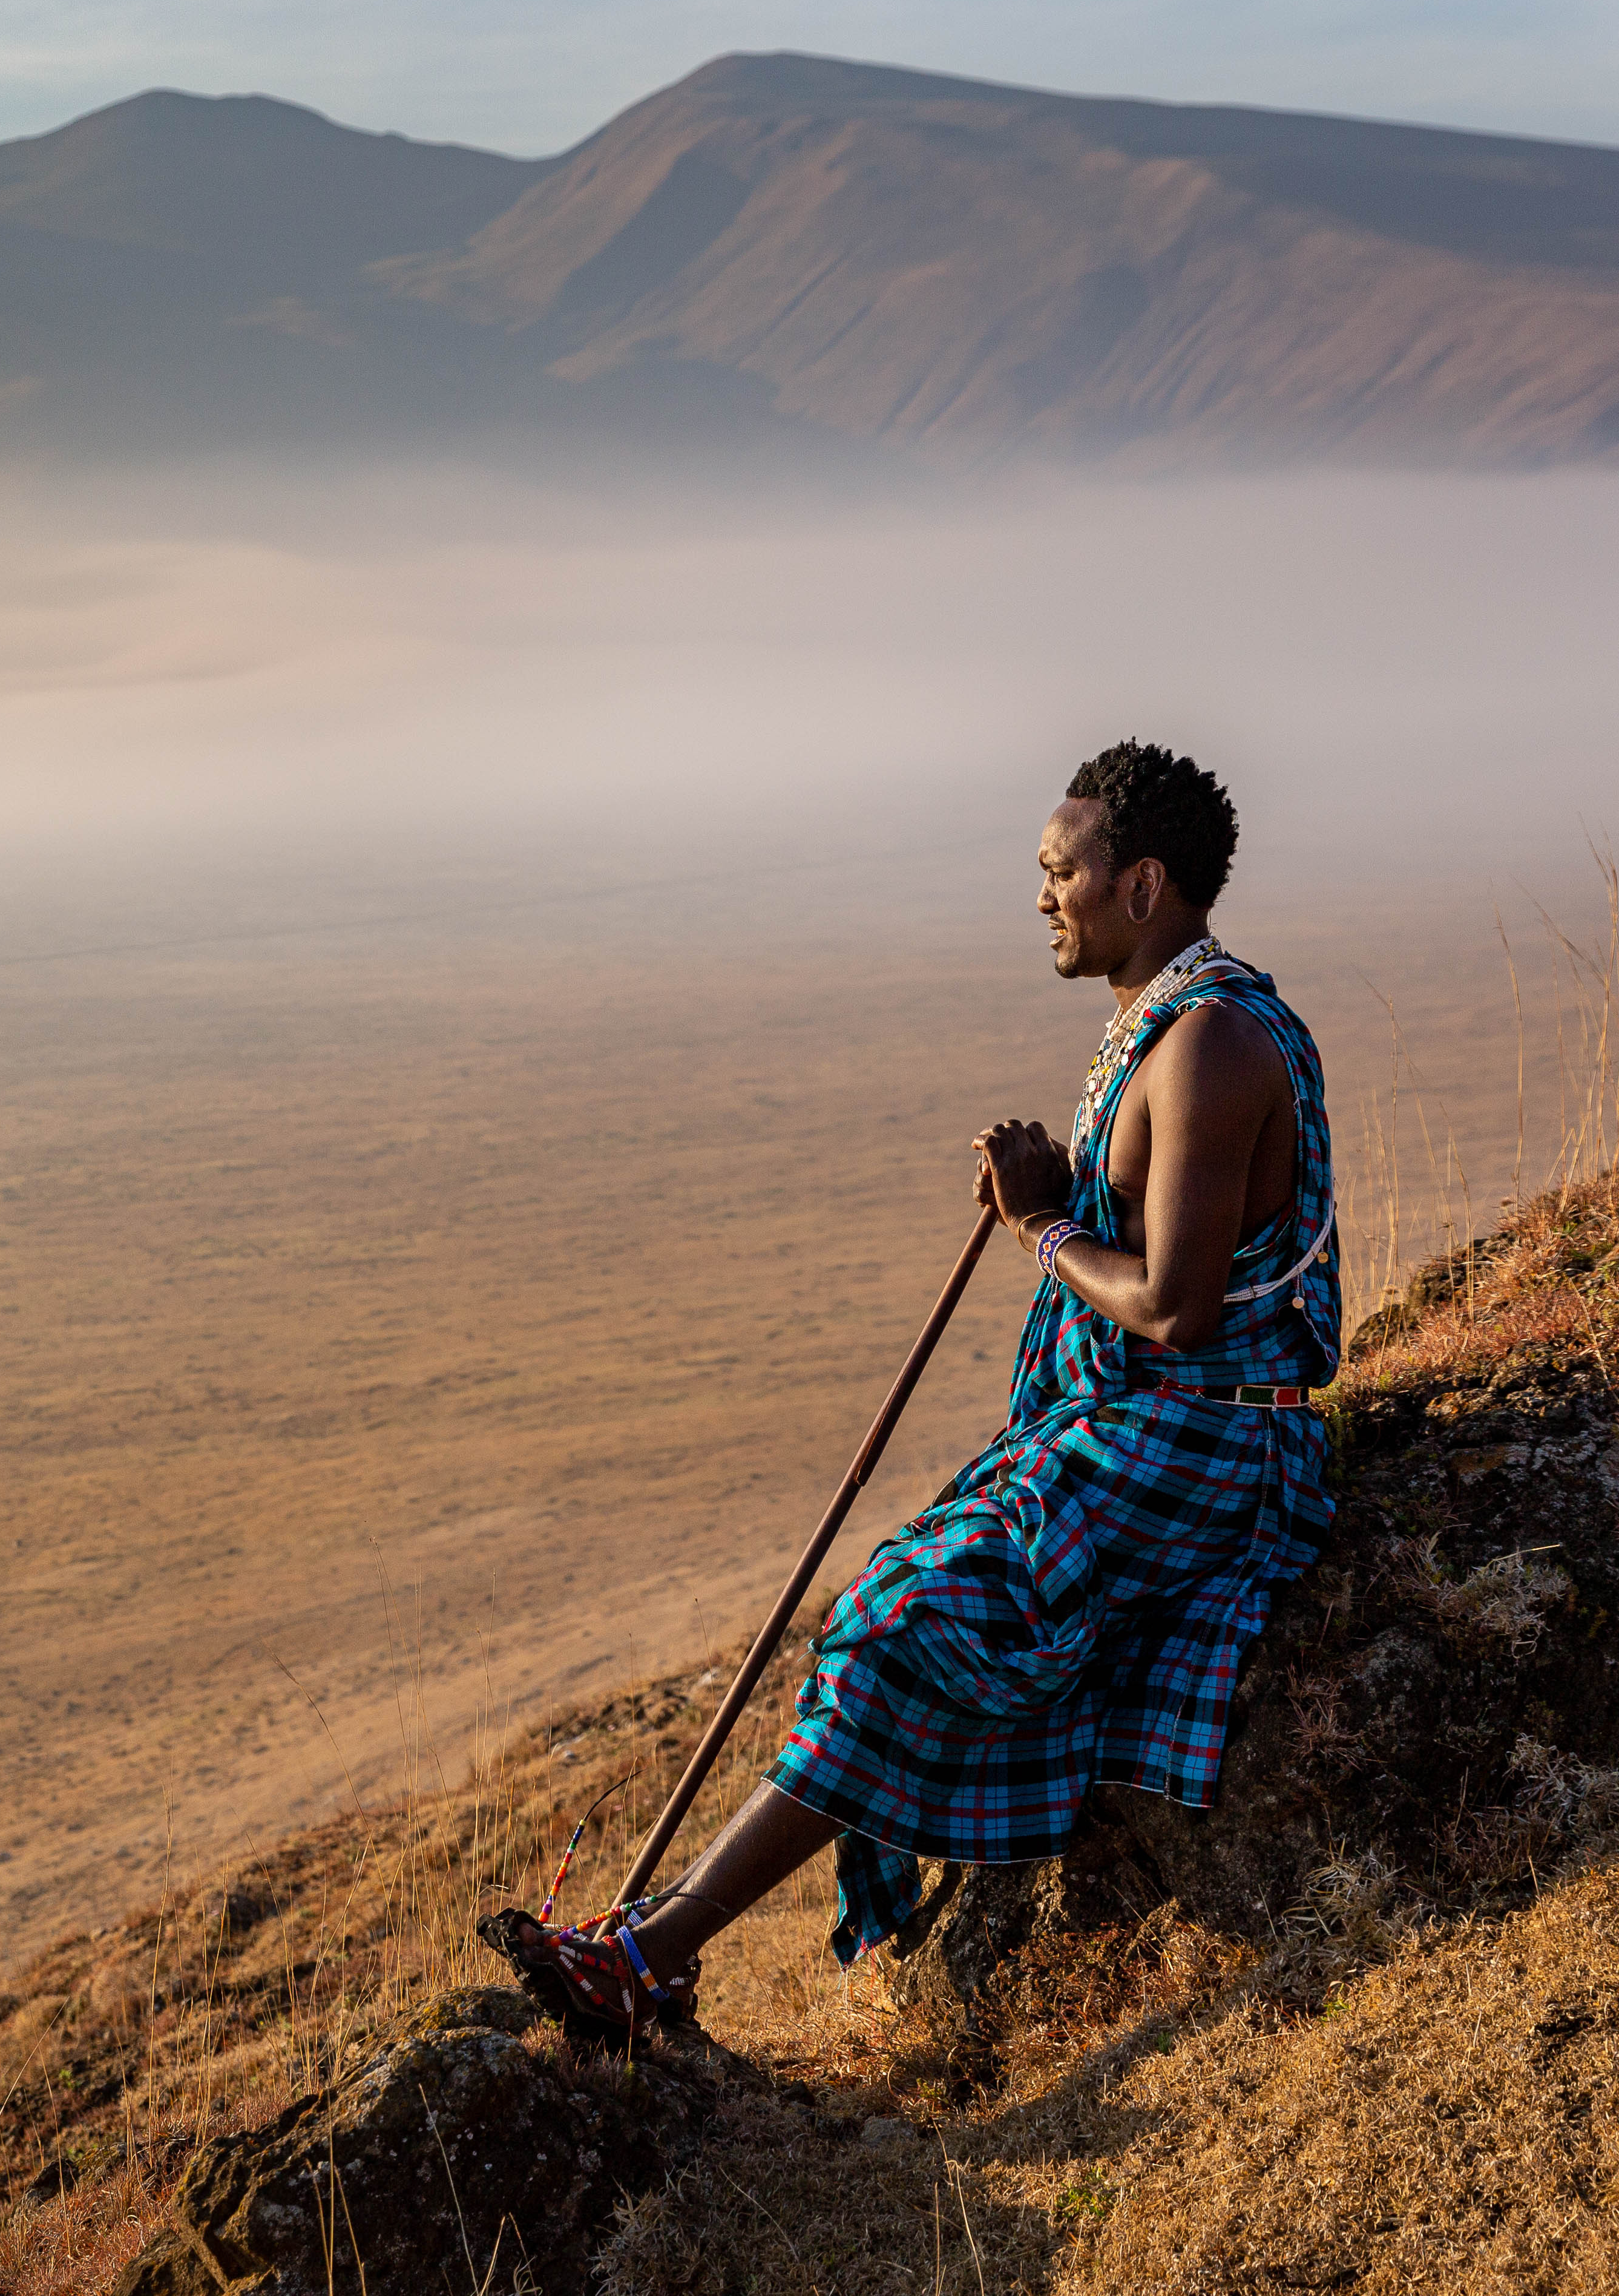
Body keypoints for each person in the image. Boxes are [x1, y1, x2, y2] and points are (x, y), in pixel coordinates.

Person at [485, 741, 1341, 2038]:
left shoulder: (1212, 1044)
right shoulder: (1160, 1028)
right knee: (881, 1600)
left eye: (1062, 871)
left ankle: (648, 1957)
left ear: (1143, 884)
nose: (1043, 895)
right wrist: (1063, 1187)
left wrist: (1043, 1228)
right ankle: (654, 1948)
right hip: (1134, 1431)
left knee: (902, 1627)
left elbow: (1175, 1308)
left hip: (1209, 1444)